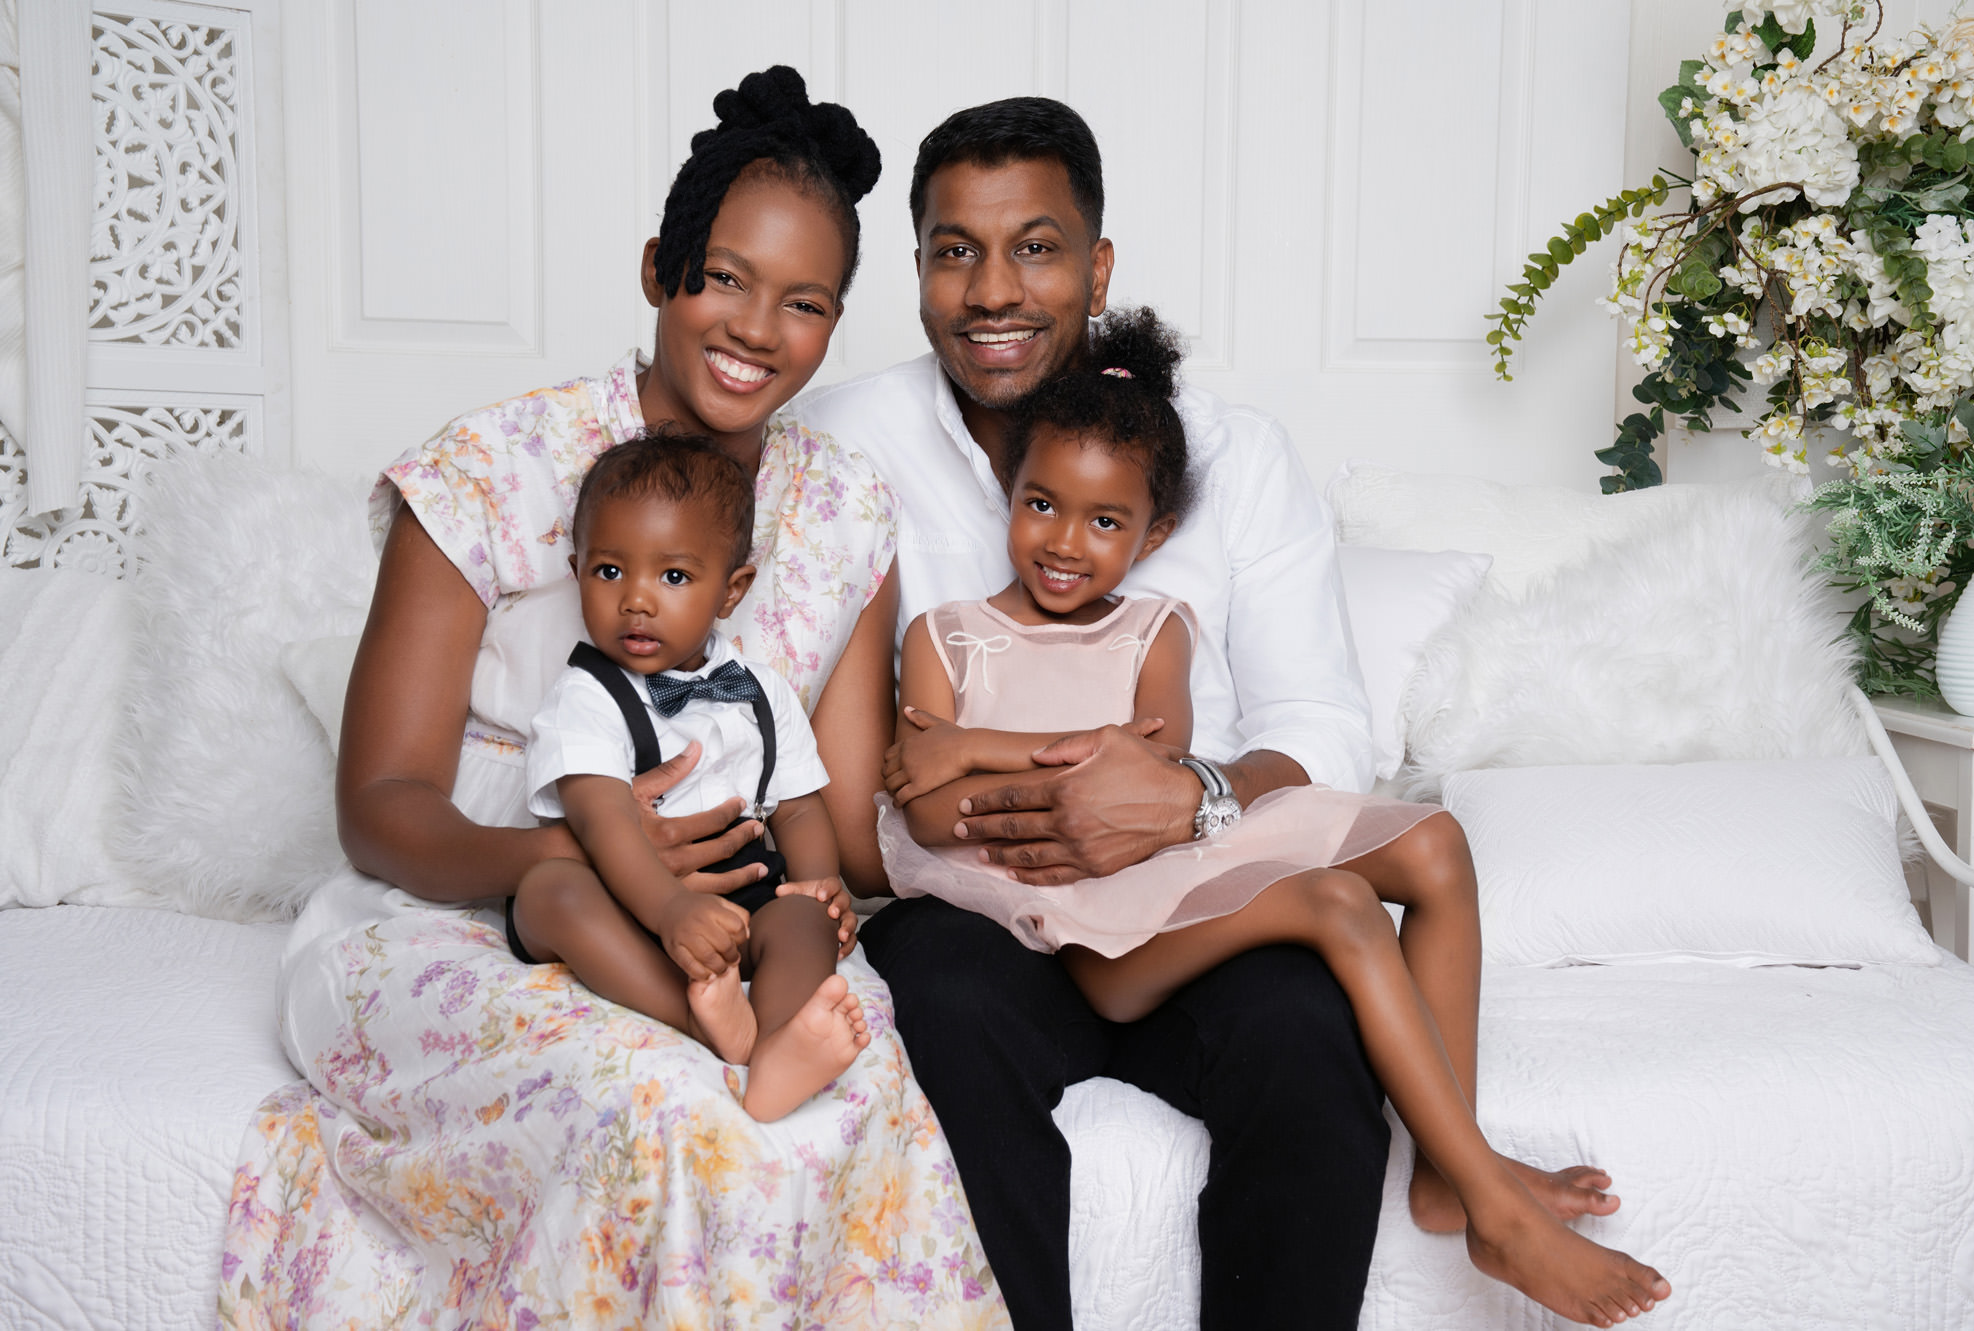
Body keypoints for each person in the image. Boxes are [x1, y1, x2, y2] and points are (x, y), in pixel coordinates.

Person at [797, 96, 1619, 1329]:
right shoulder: (842, 445)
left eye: (1035, 244)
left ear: (1097, 263)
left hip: (1191, 883)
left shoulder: (1232, 457)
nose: (992, 290)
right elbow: (852, 747)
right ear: (915, 267)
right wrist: (1025, 800)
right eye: (953, 250)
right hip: (973, 902)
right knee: (940, 1004)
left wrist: (1193, 795)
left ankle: (1452, 1184)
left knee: (1303, 1023)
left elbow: (1320, 720)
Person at [219, 68, 1005, 1327]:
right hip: (458, 912)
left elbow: (845, 831)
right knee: (659, 1104)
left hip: (729, 928)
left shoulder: (847, 512)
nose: (756, 327)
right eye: (724, 277)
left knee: (850, 1083)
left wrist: (1002, 787)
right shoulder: (488, 466)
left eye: (804, 303)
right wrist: (593, 841)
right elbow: (377, 807)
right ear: (658, 267)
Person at [510, 428, 871, 1122]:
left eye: (672, 577)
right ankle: (701, 1020)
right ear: (577, 566)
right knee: (549, 889)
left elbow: (796, 808)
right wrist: (671, 909)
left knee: (801, 921)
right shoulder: (586, 695)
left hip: (743, 891)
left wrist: (817, 884)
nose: (637, 600)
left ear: (732, 589)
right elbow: (604, 819)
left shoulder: (762, 688)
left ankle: (772, 1042)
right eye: (610, 571)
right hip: (628, 893)